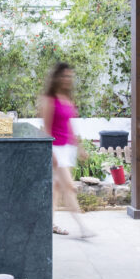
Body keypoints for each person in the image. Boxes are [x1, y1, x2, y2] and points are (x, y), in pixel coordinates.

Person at [40, 62, 93, 238]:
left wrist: (80, 148)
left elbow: (70, 127)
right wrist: (51, 152)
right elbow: (46, 128)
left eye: (70, 76)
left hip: (67, 149)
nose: (67, 79)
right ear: (57, 77)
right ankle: (83, 227)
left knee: (56, 188)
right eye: (64, 76)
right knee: (69, 187)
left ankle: (49, 224)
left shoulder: (67, 99)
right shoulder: (50, 100)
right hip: (55, 149)